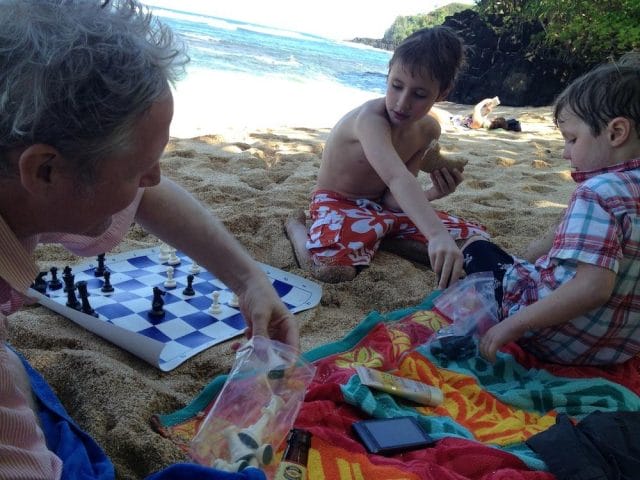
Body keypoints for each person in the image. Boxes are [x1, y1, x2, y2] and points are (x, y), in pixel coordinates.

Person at [0, 1, 297, 478]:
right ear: (46, 169)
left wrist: (249, 281)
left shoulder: (20, 183)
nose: (154, 179)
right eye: (140, 169)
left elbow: (150, 199)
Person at [460, 53, 640, 365]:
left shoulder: (597, 193)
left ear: (615, 133)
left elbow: (594, 288)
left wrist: (511, 327)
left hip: (556, 340)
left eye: (572, 139)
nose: (565, 152)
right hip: (618, 351)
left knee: (476, 248)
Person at [285, 27, 488, 287]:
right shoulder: (371, 120)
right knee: (332, 270)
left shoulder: (428, 129)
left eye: (419, 94)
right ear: (388, 73)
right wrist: (435, 234)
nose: (402, 103)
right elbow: (396, 177)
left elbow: (393, 201)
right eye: (396, 86)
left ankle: (380, 238)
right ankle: (296, 227)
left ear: (442, 93)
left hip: (381, 209)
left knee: (474, 242)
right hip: (338, 202)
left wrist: (435, 192)